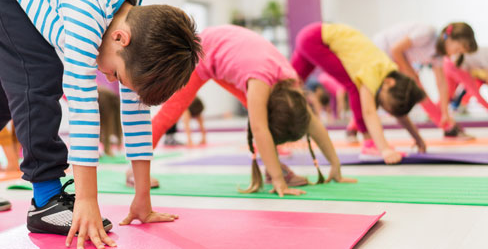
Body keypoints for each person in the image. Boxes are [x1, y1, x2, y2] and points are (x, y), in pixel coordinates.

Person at [0, 0, 201, 249]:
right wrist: (86, 201)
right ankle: (46, 198)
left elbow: (136, 109)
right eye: (116, 74)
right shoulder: (87, 12)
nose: (110, 78)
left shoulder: (137, 31)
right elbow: (82, 106)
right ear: (120, 38)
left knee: (2, 85)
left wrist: (142, 198)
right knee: (39, 75)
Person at [151, 25, 356, 196]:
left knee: (258, 110)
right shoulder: (259, 81)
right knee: (170, 113)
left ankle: (271, 168)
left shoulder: (291, 82)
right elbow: (259, 128)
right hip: (199, 52)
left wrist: (335, 165)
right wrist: (279, 181)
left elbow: (312, 121)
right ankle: (135, 169)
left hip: (230, 47)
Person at [291, 22, 426, 164]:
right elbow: (369, 112)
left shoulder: (388, 72)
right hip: (317, 39)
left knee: (288, 86)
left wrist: (418, 138)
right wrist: (384, 149)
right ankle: (369, 143)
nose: (384, 108)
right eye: (385, 105)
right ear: (389, 83)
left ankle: (274, 141)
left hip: (310, 35)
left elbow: (399, 111)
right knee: (354, 86)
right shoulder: (373, 71)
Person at [373, 22, 476, 139]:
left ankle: (447, 125)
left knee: (418, 92)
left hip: (395, 59)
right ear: (449, 39)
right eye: (457, 49)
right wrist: (410, 73)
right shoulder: (427, 33)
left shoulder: (438, 56)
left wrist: (445, 113)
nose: (455, 54)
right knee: (376, 94)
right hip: (381, 51)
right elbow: (396, 49)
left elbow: (442, 84)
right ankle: (355, 127)